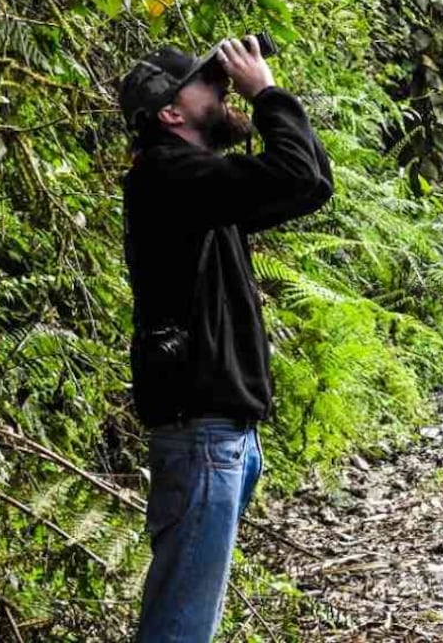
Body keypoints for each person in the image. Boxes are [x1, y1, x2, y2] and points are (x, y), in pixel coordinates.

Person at [118, 36, 333, 642]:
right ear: (171, 113)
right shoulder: (167, 173)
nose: (226, 86)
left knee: (188, 613)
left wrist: (273, 101)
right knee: (182, 622)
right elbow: (294, 169)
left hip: (220, 430)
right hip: (202, 430)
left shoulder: (199, 183)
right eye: (209, 81)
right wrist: (265, 93)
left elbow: (310, 184)